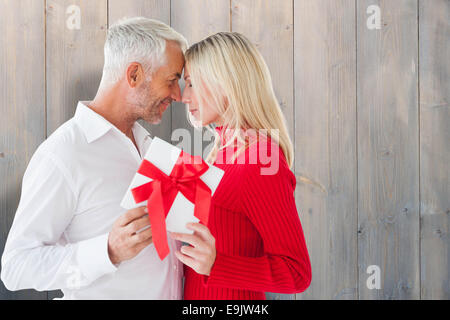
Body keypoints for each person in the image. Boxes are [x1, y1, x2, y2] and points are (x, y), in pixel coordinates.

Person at [1, 17, 189, 299]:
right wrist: (108, 251)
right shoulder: (63, 154)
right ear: (134, 74)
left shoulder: (152, 149)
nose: (178, 94)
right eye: (172, 79)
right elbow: (16, 268)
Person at [170, 32, 312, 299]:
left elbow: (296, 273)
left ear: (225, 83)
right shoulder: (221, 153)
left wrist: (216, 265)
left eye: (191, 83)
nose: (183, 96)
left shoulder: (260, 158)